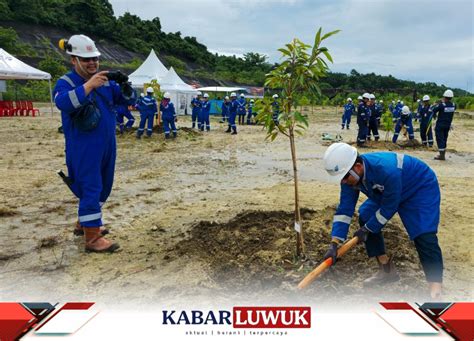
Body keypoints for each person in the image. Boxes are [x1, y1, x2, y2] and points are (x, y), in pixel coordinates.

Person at [322, 143, 443, 299]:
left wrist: (368, 229)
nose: (343, 182)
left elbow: (389, 207)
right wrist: (334, 243)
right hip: (388, 191)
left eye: (345, 177)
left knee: (424, 235)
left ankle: (435, 287)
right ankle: (386, 269)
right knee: (366, 214)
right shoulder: (349, 177)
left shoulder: (386, 170)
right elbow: (344, 210)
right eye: (341, 179)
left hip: (418, 188)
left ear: (357, 167)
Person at [54, 34, 136, 252]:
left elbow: (127, 99)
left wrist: (127, 87)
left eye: (95, 59)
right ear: (74, 60)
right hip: (83, 147)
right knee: (91, 188)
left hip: (107, 144)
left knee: (104, 187)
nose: (92, 63)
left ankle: (85, 223)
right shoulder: (66, 82)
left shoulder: (105, 82)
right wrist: (89, 85)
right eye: (86, 59)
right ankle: (92, 238)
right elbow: (62, 102)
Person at [432, 89, 456, 160]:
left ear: (444, 97)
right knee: (444, 139)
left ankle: (441, 155)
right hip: (447, 125)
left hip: (440, 125)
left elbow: (433, 110)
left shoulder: (441, 105)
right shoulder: (454, 105)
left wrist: (436, 104)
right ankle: (442, 154)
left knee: (440, 139)